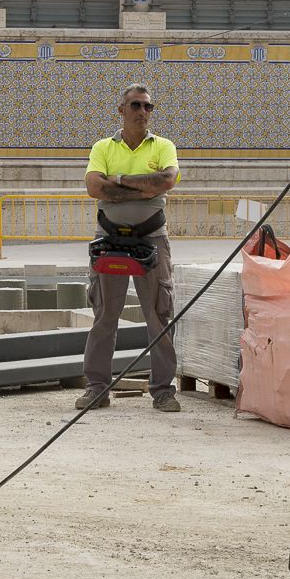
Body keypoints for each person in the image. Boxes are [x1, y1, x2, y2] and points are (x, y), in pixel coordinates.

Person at [76, 83, 183, 413]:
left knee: (158, 314)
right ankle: (97, 387)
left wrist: (119, 181)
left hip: (152, 240)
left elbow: (166, 180)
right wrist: (142, 189)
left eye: (148, 107)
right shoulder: (103, 147)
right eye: (135, 105)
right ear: (121, 110)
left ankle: (163, 390)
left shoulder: (163, 146)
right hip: (110, 240)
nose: (142, 112)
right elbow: (95, 187)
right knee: (105, 314)